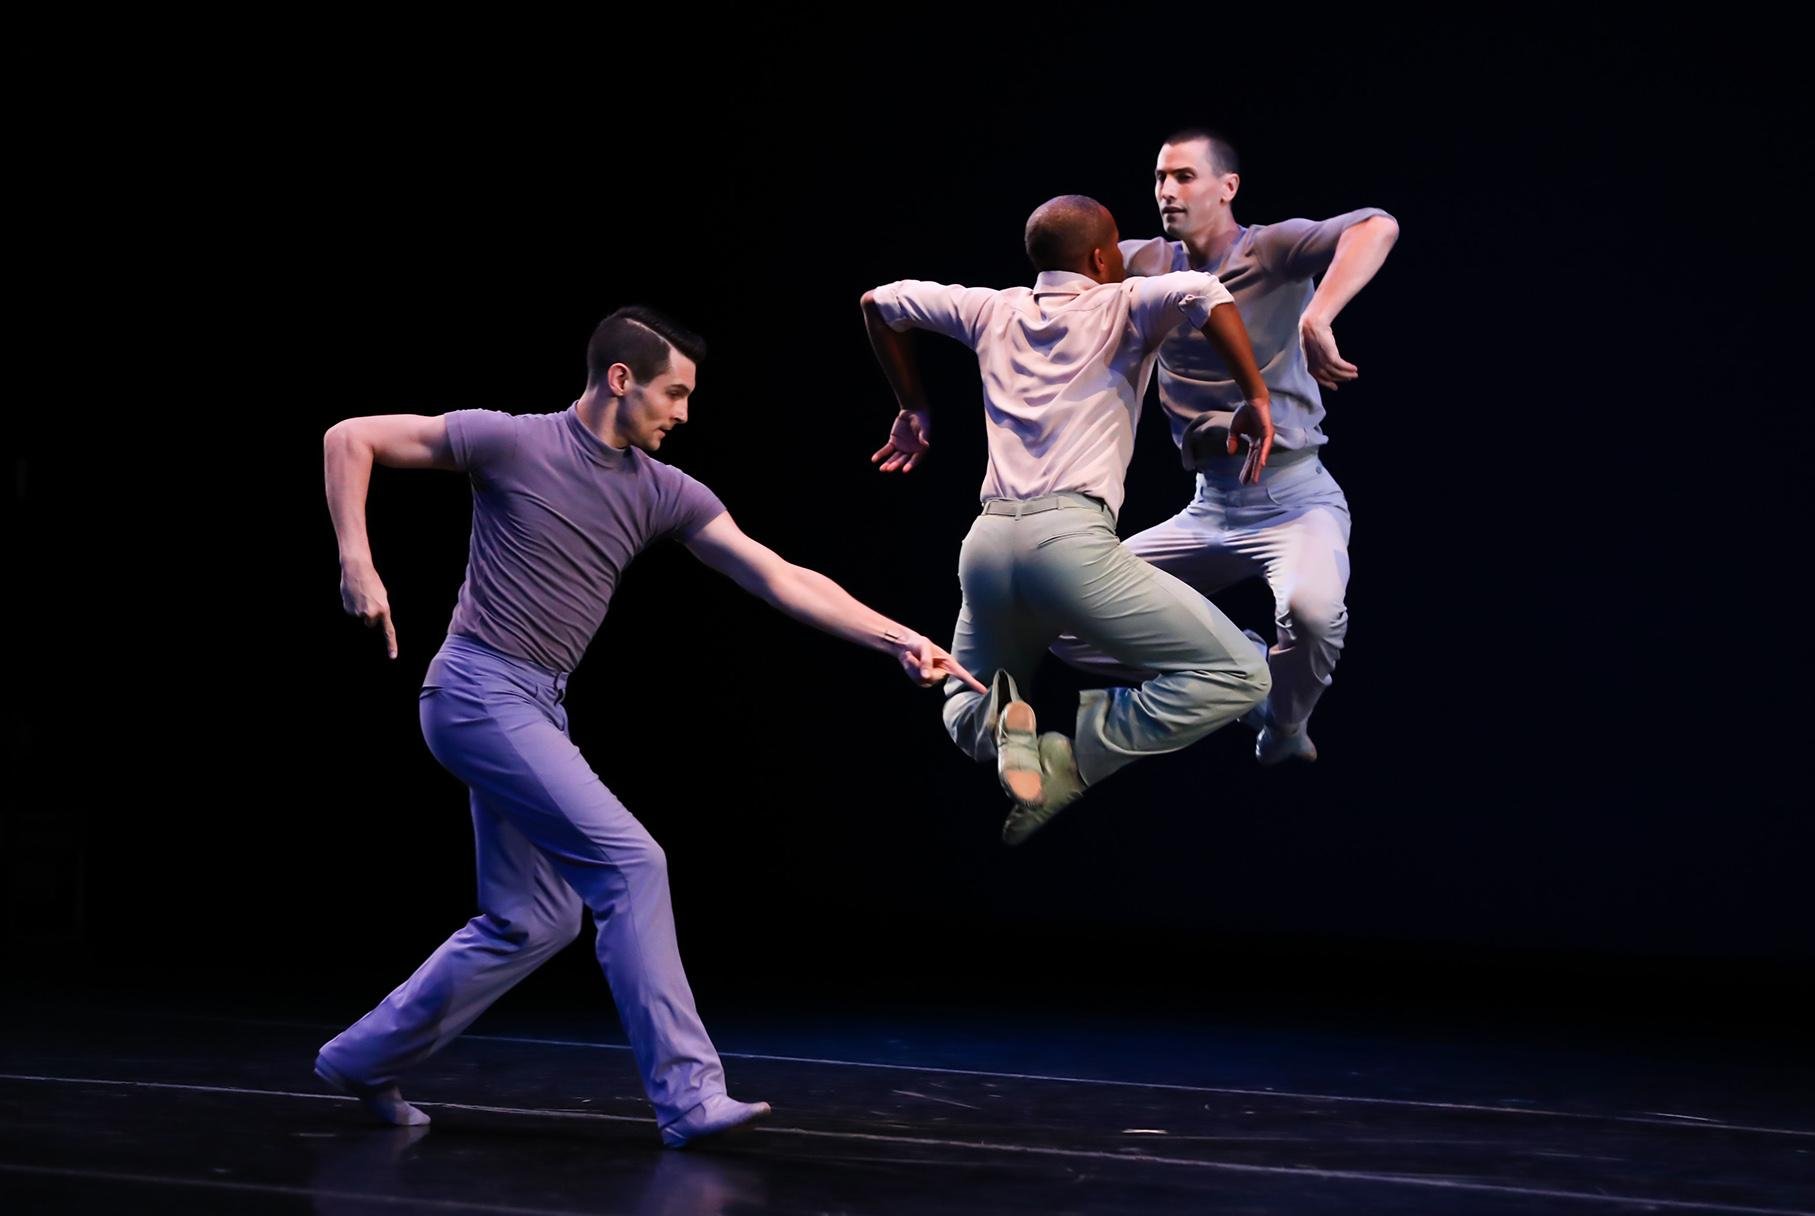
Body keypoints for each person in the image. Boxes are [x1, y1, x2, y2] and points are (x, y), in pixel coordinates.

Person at [317, 305, 982, 1147]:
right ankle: (689, 1097)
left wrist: (898, 637)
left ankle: (363, 1058)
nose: (684, 412)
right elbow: (351, 437)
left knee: (533, 919)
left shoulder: (665, 491)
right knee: (633, 864)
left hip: (536, 705)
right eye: (675, 392)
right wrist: (357, 561)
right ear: (620, 379)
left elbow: (778, 576)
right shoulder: (510, 441)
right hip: (477, 690)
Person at [861, 195, 1273, 846]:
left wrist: (913, 406)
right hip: (1069, 543)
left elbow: (879, 303)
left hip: (989, 544)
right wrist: (1254, 396)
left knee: (967, 704)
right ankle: (1079, 751)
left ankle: (1005, 727)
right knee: (1238, 674)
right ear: (1102, 256)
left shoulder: (991, 307)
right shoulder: (1124, 301)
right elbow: (1202, 289)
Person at [1054, 129, 1399, 765]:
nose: (1166, 191)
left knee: (1312, 614)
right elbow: (1053, 287)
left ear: (1227, 188)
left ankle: (1285, 723)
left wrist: (1316, 316)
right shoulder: (1145, 263)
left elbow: (1376, 225)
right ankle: (1242, 674)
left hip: (1292, 497)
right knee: (1063, 621)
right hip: (1208, 506)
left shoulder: (1269, 248)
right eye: (1160, 178)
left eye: (1184, 176)